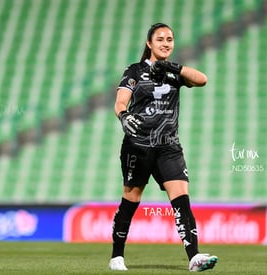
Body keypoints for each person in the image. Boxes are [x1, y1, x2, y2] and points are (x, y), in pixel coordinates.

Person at [109, 23, 218, 272]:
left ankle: (194, 257)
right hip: (138, 146)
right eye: (160, 39)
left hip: (169, 146)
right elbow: (120, 101)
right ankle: (116, 256)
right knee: (131, 199)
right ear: (149, 43)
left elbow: (202, 80)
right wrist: (124, 116)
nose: (166, 43)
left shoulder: (174, 73)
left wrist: (174, 67)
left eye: (170, 39)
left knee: (181, 199)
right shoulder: (135, 70)